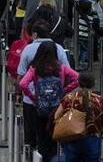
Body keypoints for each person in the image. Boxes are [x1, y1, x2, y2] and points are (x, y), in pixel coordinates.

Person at [19, 40, 79, 162]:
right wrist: (64, 91)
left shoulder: (35, 69)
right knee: (56, 139)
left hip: (40, 109)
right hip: (57, 109)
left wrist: (34, 97)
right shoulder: (61, 68)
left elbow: (23, 84)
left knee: (41, 139)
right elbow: (77, 78)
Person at [17, 19, 71, 152]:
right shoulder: (58, 49)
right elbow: (69, 73)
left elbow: (21, 75)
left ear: (35, 34)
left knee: (31, 134)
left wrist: (25, 95)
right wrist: (63, 91)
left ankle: (30, 159)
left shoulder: (28, 49)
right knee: (50, 134)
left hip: (32, 100)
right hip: (54, 100)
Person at [56, 72, 103, 162]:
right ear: (93, 84)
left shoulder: (69, 98)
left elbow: (56, 116)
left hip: (72, 139)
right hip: (92, 140)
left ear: (78, 82)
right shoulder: (100, 100)